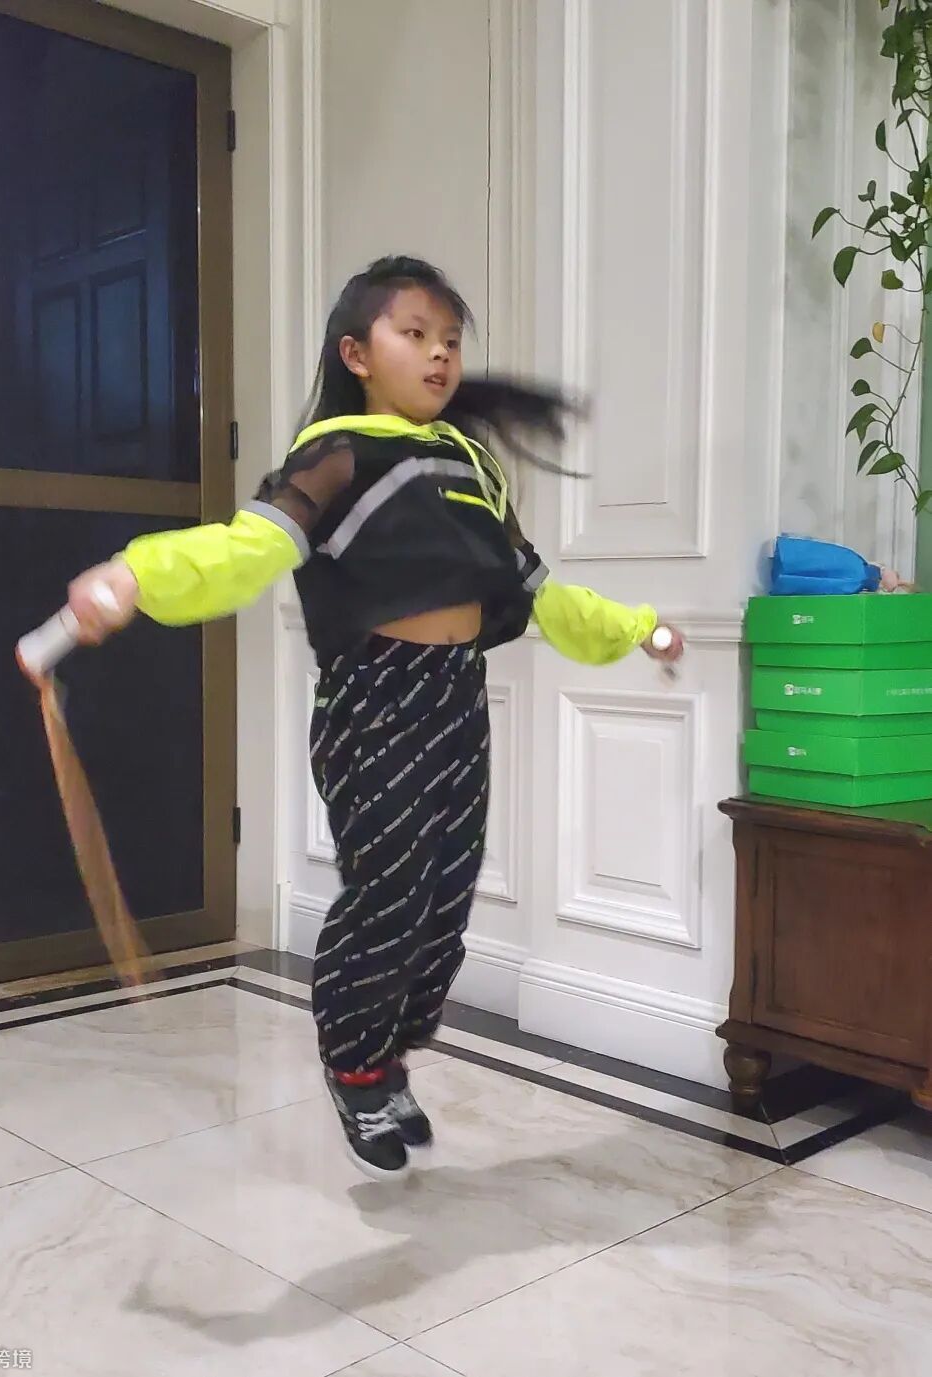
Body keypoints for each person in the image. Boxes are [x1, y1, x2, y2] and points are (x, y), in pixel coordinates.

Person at [67, 255, 684, 1180]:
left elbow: (539, 590)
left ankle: (388, 1050)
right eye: (416, 334)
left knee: (445, 899)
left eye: (451, 341)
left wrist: (637, 628)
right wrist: (133, 576)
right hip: (375, 698)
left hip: (457, 696)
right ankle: (355, 1064)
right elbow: (246, 548)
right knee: (390, 891)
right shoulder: (338, 457)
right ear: (356, 353)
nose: (439, 356)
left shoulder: (472, 464)